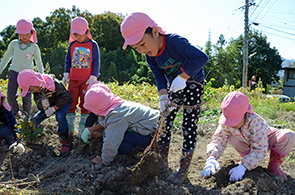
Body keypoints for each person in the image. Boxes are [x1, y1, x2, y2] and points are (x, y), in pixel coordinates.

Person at [120, 12, 209, 184]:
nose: (143, 50)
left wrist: (184, 77)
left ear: (154, 31)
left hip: (193, 84)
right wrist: (162, 96)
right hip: (174, 87)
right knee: (165, 123)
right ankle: (161, 163)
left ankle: (182, 170)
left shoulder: (174, 42)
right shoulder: (150, 57)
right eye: (137, 48)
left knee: (188, 126)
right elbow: (159, 76)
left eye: (143, 44)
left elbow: (201, 58)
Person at [200, 91, 295, 181]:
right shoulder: (226, 122)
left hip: (267, 140)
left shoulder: (255, 121)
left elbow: (260, 148)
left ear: (245, 113)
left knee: (289, 135)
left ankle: (273, 166)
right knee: (233, 138)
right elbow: (219, 139)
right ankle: (248, 161)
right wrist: (212, 157)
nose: (231, 124)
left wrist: (242, 167)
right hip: (246, 144)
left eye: (235, 120)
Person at [81, 81, 160, 166]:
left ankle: (143, 153)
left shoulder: (116, 115)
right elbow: (110, 125)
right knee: (112, 136)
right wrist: (102, 133)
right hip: (152, 125)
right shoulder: (115, 105)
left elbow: (112, 141)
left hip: (152, 133)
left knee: (120, 145)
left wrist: (104, 160)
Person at [17, 69, 73, 157]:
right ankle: (30, 138)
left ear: (35, 82)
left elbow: (65, 97)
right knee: (35, 119)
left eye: (31, 89)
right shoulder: (37, 91)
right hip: (50, 107)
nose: (32, 92)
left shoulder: (53, 83)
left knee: (60, 116)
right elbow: (39, 105)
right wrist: (44, 106)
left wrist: (54, 108)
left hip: (63, 103)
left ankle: (65, 139)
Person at [62, 17, 100, 136]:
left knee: (86, 103)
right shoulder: (72, 45)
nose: (78, 37)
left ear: (87, 31)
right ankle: (70, 127)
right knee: (71, 101)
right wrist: (66, 72)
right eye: (75, 34)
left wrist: (94, 75)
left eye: (80, 34)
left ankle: (83, 126)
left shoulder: (93, 45)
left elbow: (96, 61)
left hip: (87, 81)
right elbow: (68, 60)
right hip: (73, 79)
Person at [0, 19, 44, 118]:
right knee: (10, 97)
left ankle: (27, 117)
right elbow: (6, 58)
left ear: (31, 33)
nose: (24, 36)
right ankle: (16, 113)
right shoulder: (14, 44)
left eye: (26, 34)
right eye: (21, 34)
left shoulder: (34, 47)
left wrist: (42, 76)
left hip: (28, 75)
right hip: (14, 72)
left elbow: (39, 62)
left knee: (27, 99)